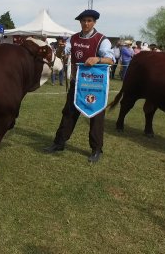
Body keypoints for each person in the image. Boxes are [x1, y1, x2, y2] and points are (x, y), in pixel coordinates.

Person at [44, 9, 115, 163]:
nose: (86, 23)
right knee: (68, 113)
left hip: (95, 86)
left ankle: (96, 149)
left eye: (89, 20)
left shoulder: (102, 40)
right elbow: (64, 52)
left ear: (94, 22)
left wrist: (98, 59)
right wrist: (61, 48)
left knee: (96, 117)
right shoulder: (73, 39)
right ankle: (59, 143)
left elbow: (111, 60)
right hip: (77, 84)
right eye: (83, 21)